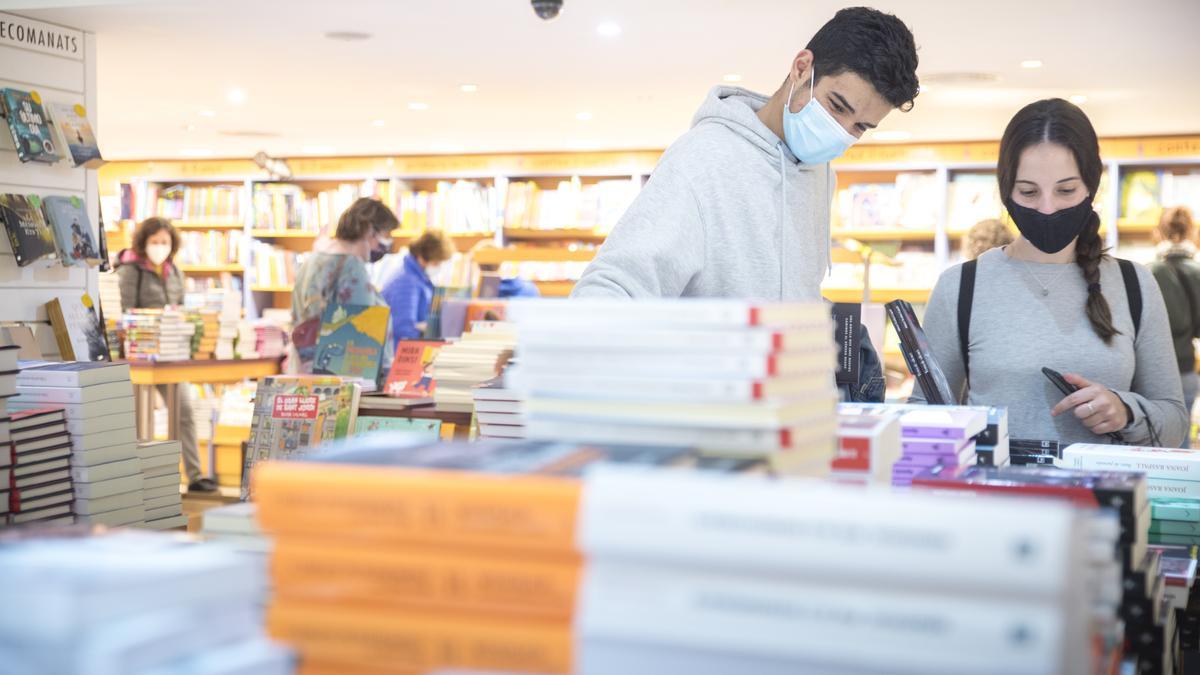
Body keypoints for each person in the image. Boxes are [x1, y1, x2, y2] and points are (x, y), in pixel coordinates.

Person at [570, 7, 919, 403]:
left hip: (801, 430)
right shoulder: (703, 160)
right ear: (802, 68)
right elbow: (612, 288)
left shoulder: (822, 174)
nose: (841, 132)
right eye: (837, 106)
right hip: (719, 432)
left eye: (860, 127)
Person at [912, 98, 1186, 447]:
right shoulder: (961, 286)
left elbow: (1175, 422)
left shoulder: (1135, 284)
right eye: (1028, 191)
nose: (1047, 207)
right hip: (991, 497)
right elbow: (925, 410)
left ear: (1092, 186)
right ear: (1006, 189)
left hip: (1105, 497)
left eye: (1066, 190)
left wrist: (1125, 411)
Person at [116, 217, 215, 493]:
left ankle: (194, 476)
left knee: (184, 408)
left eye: (165, 242)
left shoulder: (175, 272)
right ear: (143, 242)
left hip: (171, 355)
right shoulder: (130, 270)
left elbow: (181, 308)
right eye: (155, 241)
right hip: (138, 357)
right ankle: (135, 479)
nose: (160, 246)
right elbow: (123, 313)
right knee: (138, 417)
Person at [292, 197, 397, 378]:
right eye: (385, 235)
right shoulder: (352, 267)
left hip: (309, 372)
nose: (386, 244)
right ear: (369, 230)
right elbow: (361, 333)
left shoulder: (312, 261)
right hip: (348, 379)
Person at [1149, 206, 1200, 445]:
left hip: (1151, 373)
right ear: (1192, 232)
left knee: (1151, 445)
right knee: (1182, 444)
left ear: (1158, 231)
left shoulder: (1146, 271)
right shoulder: (1198, 271)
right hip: (1187, 369)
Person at [380, 230, 455, 341]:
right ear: (422, 257)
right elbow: (403, 327)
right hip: (399, 350)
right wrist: (427, 328)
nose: (438, 266)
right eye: (436, 262)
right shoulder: (406, 282)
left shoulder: (418, 278)